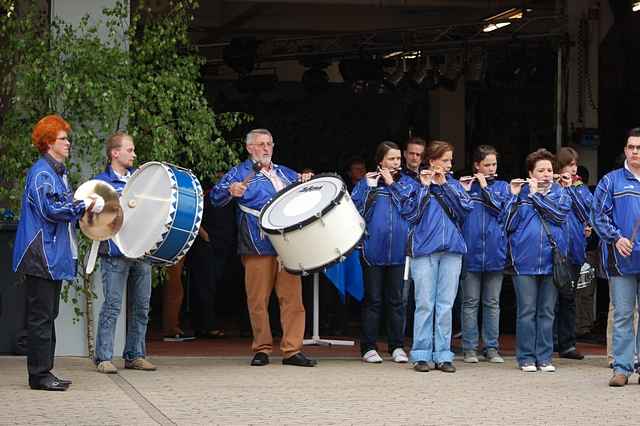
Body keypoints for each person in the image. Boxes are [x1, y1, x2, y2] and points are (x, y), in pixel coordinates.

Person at [211, 128, 316, 367]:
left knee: (293, 299)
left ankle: (292, 350)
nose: (266, 148)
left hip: (287, 244)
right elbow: (215, 198)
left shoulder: (284, 172)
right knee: (258, 300)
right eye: (261, 144)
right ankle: (262, 348)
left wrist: (307, 179)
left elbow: (305, 187)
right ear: (250, 148)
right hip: (256, 242)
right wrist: (230, 190)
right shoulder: (239, 172)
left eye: (269, 143)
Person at [13, 115, 102, 391]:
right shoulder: (42, 173)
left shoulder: (55, 172)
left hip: (48, 255)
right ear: (49, 142)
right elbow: (50, 210)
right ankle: (39, 375)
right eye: (63, 138)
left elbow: (62, 205)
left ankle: (44, 371)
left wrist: (82, 205)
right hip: (40, 254)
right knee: (41, 316)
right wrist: (83, 205)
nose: (68, 143)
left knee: (46, 314)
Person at [400, 140, 472, 373]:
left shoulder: (454, 185)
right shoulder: (415, 185)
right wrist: (425, 187)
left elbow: (464, 211)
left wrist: (445, 187)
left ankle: (443, 354)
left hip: (452, 250)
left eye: (450, 160)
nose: (449, 165)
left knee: (445, 304)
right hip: (424, 250)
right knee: (424, 304)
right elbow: (409, 213)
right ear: (431, 161)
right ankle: (421, 354)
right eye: (445, 160)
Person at [94, 132, 156, 374]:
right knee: (112, 305)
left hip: (141, 250)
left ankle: (135, 355)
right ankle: (104, 357)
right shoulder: (101, 184)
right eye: (129, 150)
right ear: (114, 153)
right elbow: (92, 220)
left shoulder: (140, 181)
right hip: (114, 252)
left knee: (142, 306)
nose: (134, 154)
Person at [504, 148, 571, 373]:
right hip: (524, 262)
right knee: (526, 311)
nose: (545, 174)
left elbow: (559, 215)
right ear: (530, 173)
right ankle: (525, 358)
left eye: (549, 170)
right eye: (540, 170)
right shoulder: (520, 195)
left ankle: (544, 357)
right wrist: (513, 196)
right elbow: (506, 224)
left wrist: (536, 197)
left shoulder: (560, 193)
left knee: (547, 311)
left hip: (552, 262)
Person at [352, 141, 413, 364]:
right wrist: (370, 187)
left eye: (398, 159)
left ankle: (397, 346)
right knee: (373, 300)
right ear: (381, 161)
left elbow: (411, 209)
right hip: (372, 250)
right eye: (391, 159)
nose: (396, 162)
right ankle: (368, 346)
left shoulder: (406, 183)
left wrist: (392, 184)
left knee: (397, 300)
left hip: (399, 251)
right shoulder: (366, 183)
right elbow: (355, 211)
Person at [591, 127, 640, 387]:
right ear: (625, 150)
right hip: (621, 258)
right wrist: (616, 238)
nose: (635, 151)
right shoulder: (611, 181)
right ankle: (621, 367)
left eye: (639, 148)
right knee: (622, 313)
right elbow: (597, 215)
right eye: (631, 147)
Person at [460, 145, 510, 364]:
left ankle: (491, 348)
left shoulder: (503, 187)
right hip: (470, 252)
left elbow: (502, 211)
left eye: (494, 164)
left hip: (494, 253)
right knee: (470, 302)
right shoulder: (466, 187)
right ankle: (469, 348)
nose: (491, 169)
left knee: (492, 302)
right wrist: (466, 189)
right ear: (476, 165)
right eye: (487, 165)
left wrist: (484, 187)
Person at [555, 147, 593, 360]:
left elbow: (586, 213)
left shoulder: (579, 188)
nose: (573, 168)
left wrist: (570, 189)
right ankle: (548, 341)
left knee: (569, 298)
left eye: (574, 164)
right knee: (551, 299)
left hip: (575, 250)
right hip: (554, 251)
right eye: (569, 164)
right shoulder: (550, 184)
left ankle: (567, 344)